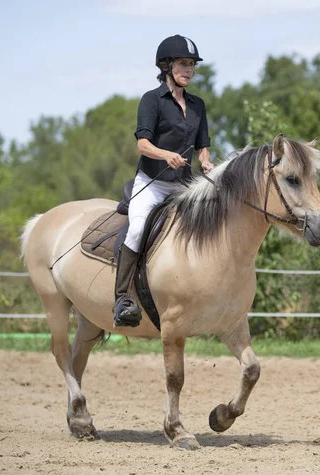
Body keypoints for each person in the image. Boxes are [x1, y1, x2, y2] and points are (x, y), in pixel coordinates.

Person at [113, 34, 214, 327]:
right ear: (166, 65)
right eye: (183, 64)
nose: (189, 70)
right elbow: (142, 145)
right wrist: (166, 154)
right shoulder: (151, 100)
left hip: (184, 187)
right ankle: (122, 300)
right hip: (152, 184)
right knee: (137, 230)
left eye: (192, 65)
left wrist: (205, 160)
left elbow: (202, 145)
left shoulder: (198, 105)